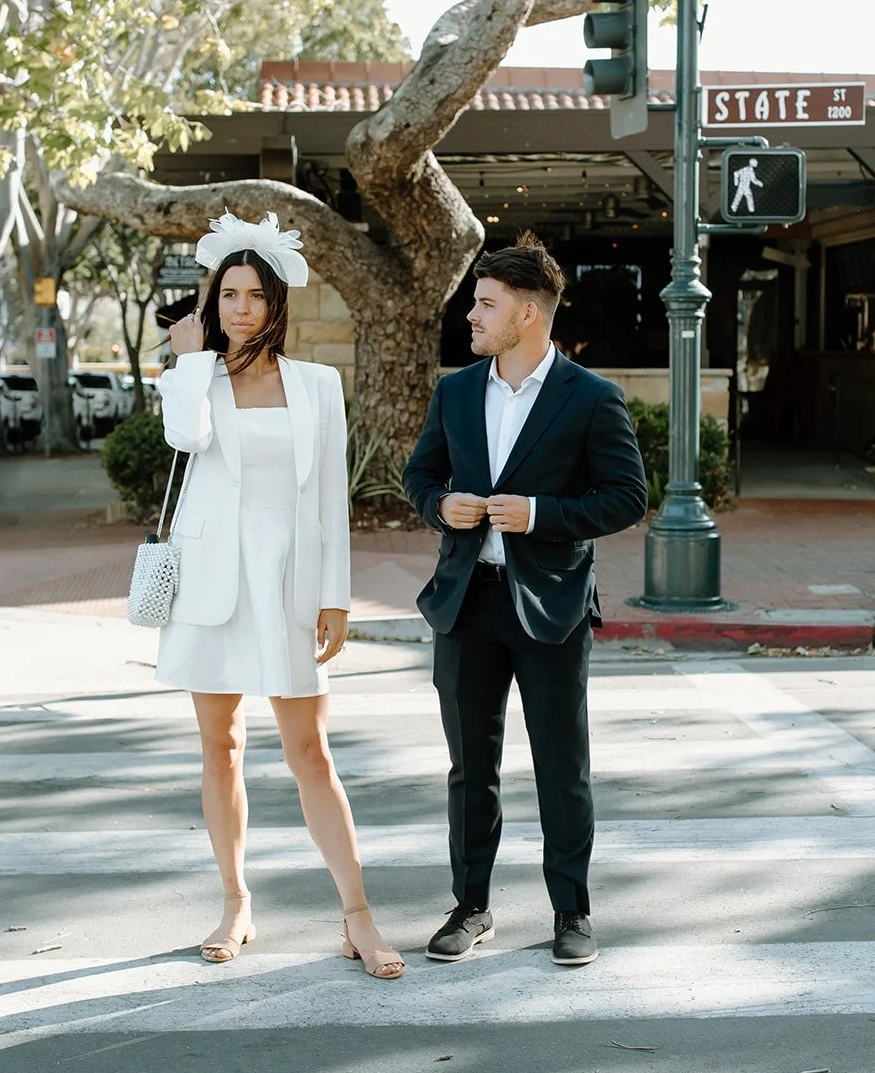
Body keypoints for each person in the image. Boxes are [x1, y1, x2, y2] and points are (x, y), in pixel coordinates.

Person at [156, 211, 403, 979]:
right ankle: (235, 902)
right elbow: (184, 438)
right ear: (212, 302)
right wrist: (190, 362)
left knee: (310, 753)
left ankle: (358, 917)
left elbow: (330, 497)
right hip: (211, 588)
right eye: (227, 294)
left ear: (275, 304)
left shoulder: (317, 385)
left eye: (253, 295)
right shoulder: (193, 379)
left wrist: (337, 595)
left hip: (288, 584)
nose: (239, 308)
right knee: (219, 747)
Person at [403, 236, 648, 969]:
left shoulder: (593, 397)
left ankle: (572, 912)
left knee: (560, 766)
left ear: (529, 312)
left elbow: (627, 497)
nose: (471, 316)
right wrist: (442, 505)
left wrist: (539, 515)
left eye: (485, 303)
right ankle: (471, 907)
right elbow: (420, 477)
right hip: (466, 603)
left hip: (552, 606)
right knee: (469, 767)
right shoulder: (454, 391)